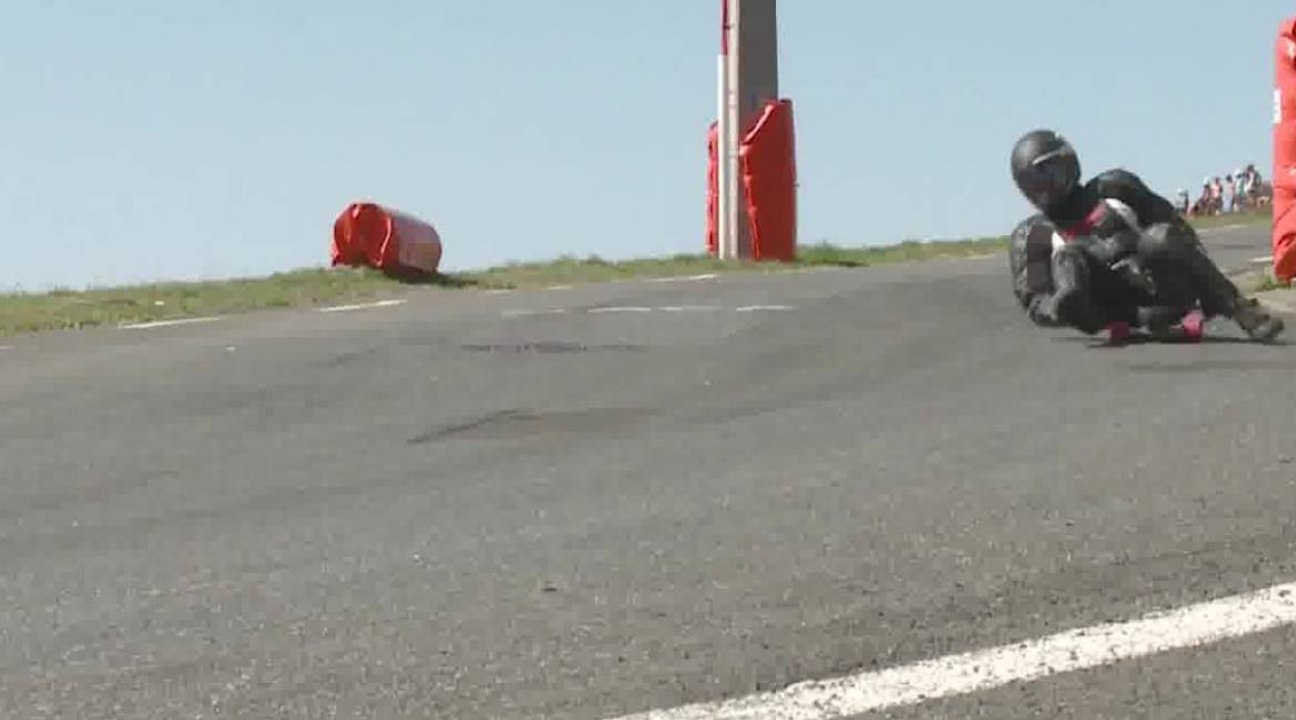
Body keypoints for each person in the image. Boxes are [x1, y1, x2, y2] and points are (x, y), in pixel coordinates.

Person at [1008, 128, 1284, 342]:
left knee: (1160, 237)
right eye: (1036, 182)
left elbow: (1177, 229)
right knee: (1069, 256)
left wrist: (1206, 288)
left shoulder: (1114, 187)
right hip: (1106, 308)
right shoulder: (1032, 234)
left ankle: (1240, 308)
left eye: (1051, 173)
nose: (1047, 186)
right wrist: (1060, 308)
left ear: (1069, 163)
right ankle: (1124, 317)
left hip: (1162, 286)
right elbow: (1035, 301)